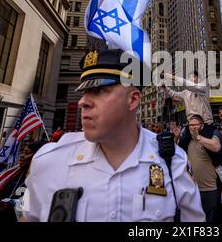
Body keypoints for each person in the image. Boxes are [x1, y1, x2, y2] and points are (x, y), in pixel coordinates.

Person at [24, 49, 205, 222]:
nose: (82, 102)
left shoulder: (173, 162)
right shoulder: (48, 162)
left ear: (133, 99)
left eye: (99, 91)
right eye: (84, 92)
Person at [182, 115, 221, 222]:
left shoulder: (210, 136)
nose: (192, 127)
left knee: (210, 218)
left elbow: (216, 147)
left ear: (202, 126)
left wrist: (198, 137)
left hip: (209, 188)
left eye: (195, 125)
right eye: (190, 125)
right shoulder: (186, 141)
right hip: (193, 189)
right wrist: (176, 137)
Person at [161, 72, 214, 137]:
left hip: (205, 123)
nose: (191, 79)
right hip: (191, 124)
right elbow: (174, 94)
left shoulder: (203, 87)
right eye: (189, 78)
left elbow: (191, 86)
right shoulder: (185, 93)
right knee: (183, 143)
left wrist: (173, 77)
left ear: (199, 79)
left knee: (205, 145)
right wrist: (165, 87)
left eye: (193, 77)